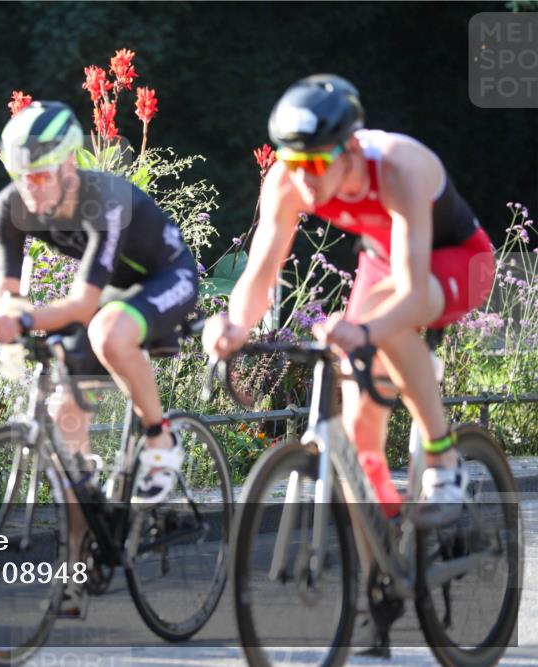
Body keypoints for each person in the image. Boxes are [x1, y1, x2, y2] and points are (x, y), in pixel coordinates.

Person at [202, 74, 495, 652]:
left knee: (385, 329)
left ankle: (443, 460)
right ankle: (379, 581)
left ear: (351, 149)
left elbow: (412, 292)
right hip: (389, 264)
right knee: (359, 430)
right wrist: (234, 326)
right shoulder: (287, 179)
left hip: (458, 262)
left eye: (317, 165)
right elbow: (260, 273)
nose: (304, 179)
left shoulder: (400, 167)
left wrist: (362, 328)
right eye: (294, 163)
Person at [0, 101, 198, 616]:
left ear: (69, 165)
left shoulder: (104, 200)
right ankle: (79, 557)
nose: (31, 188)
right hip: (116, 294)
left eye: (41, 175)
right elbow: (7, 293)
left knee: (107, 331)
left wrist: (21, 321)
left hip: (167, 279)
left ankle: (160, 438)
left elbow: (83, 305)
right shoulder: (10, 207)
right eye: (22, 176)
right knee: (66, 413)